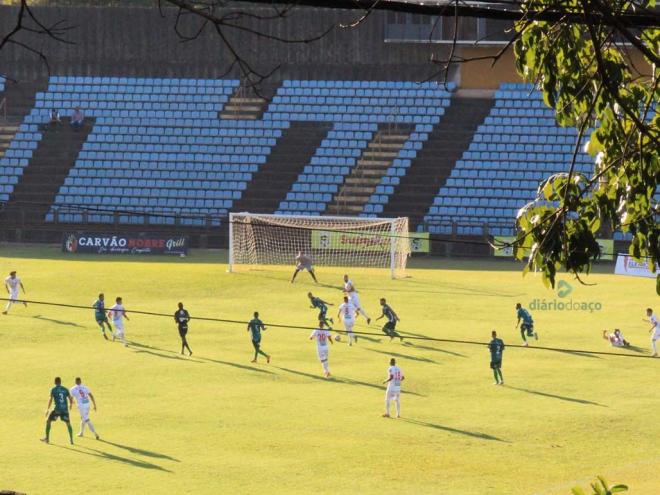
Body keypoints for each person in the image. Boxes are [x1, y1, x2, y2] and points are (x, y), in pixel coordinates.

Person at [41, 377, 74, 445]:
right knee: (68, 424)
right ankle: (71, 440)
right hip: (65, 409)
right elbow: (70, 398)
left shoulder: (53, 390)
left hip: (57, 409)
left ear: (55, 382)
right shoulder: (65, 389)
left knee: (48, 421)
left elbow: (50, 399)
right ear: (60, 382)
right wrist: (70, 405)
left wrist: (47, 409)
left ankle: (47, 439)